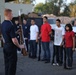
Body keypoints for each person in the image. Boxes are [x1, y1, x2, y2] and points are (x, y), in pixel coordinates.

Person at [1, 9, 24, 75]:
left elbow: (6, 34)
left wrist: (16, 32)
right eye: (12, 14)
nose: (12, 15)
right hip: (11, 47)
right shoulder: (10, 25)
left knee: (7, 64)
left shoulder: (2, 24)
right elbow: (14, 40)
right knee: (12, 65)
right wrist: (20, 46)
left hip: (5, 46)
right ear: (8, 14)